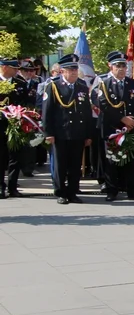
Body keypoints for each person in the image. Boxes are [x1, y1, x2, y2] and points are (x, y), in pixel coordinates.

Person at [41, 54, 94, 204]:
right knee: (60, 165)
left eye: (75, 69)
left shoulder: (82, 87)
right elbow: (47, 112)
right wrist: (48, 133)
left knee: (75, 164)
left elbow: (87, 112)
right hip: (60, 132)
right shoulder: (53, 86)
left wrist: (88, 134)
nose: (74, 72)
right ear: (62, 71)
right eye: (70, 70)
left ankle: (72, 191)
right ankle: (60, 192)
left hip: (77, 132)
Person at [97, 51, 134, 202]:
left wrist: (133, 120)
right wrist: (122, 119)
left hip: (131, 127)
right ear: (110, 66)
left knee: (131, 159)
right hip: (113, 128)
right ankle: (112, 190)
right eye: (117, 66)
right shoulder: (103, 84)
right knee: (112, 161)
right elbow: (103, 104)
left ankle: (132, 190)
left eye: (124, 66)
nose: (121, 69)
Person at [1, 58, 30, 198]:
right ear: (5, 67)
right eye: (14, 68)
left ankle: (13, 187)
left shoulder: (20, 83)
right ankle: (1, 186)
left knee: (15, 157)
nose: (17, 71)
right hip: (1, 125)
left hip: (16, 125)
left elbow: (25, 101)